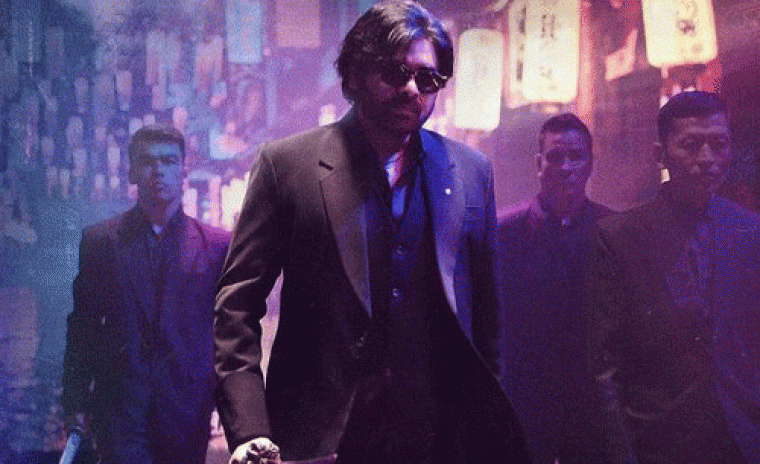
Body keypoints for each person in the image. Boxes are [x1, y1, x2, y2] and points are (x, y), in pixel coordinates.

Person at [213, 2, 530, 464]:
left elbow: (486, 322)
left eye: (428, 79)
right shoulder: (288, 166)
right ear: (356, 74)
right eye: (396, 73)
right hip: (319, 441)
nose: (411, 89)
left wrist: (481, 433)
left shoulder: (470, 171)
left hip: (437, 443)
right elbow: (236, 308)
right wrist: (250, 431)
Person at [586, 90, 760, 463]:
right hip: (661, 443)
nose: (707, 158)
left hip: (744, 440)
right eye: (691, 145)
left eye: (719, 145)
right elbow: (604, 367)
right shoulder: (620, 237)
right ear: (661, 155)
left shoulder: (749, 230)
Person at [61, 125, 230, 463]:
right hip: (120, 411)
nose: (158, 171)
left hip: (188, 412)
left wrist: (224, 404)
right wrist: (75, 400)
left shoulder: (216, 246)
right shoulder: (101, 242)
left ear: (183, 171)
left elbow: (224, 334)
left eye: (168, 161)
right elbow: (83, 326)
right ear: (132, 172)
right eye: (148, 162)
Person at [498, 113, 613, 463]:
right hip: (523, 405)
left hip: (592, 411)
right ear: (539, 164)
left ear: (590, 164)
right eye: (555, 157)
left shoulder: (613, 232)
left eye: (576, 157)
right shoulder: (504, 232)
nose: (566, 168)